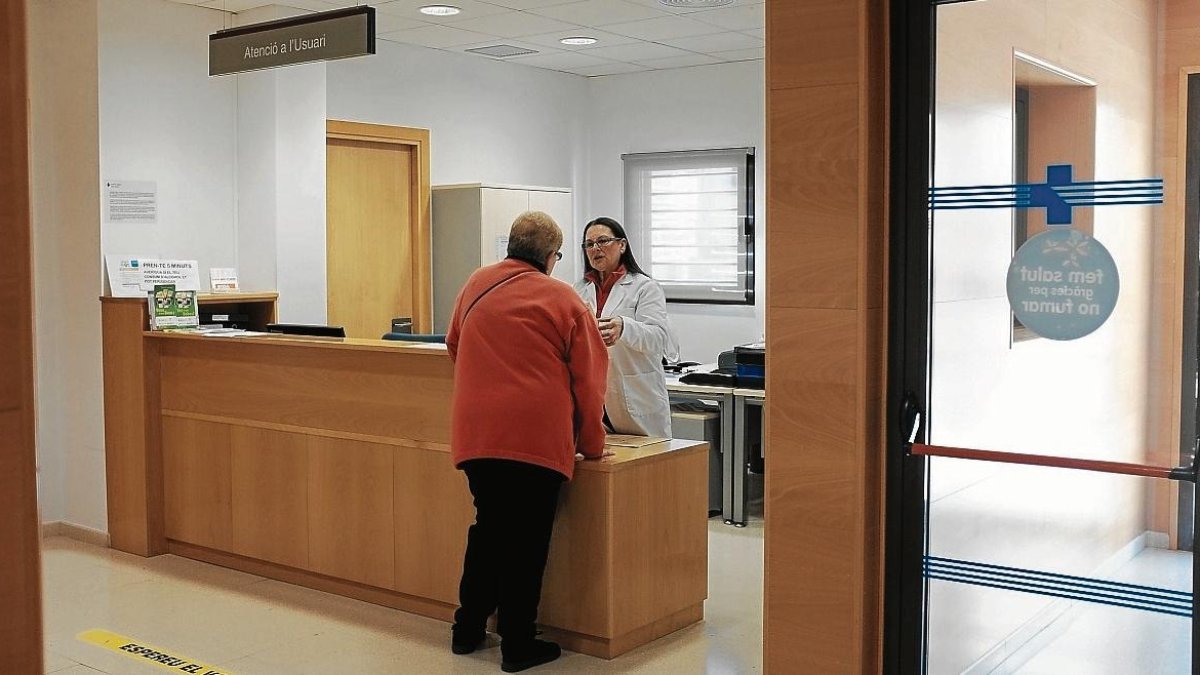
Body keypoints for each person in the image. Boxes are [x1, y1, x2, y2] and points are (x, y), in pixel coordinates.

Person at [446, 211, 609, 673]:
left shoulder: (476, 283)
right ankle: (518, 642)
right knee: (526, 541)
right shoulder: (563, 299)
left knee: (489, 529)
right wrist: (592, 446)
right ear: (551, 256)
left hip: (477, 435)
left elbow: (454, 345)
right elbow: (590, 383)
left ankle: (467, 629)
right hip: (534, 438)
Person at [572, 216, 678, 439]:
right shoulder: (579, 289)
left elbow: (659, 338)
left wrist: (625, 328)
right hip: (596, 403)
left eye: (603, 241)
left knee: (645, 470)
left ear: (622, 245)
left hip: (637, 399)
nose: (595, 249)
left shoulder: (645, 287)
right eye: (589, 244)